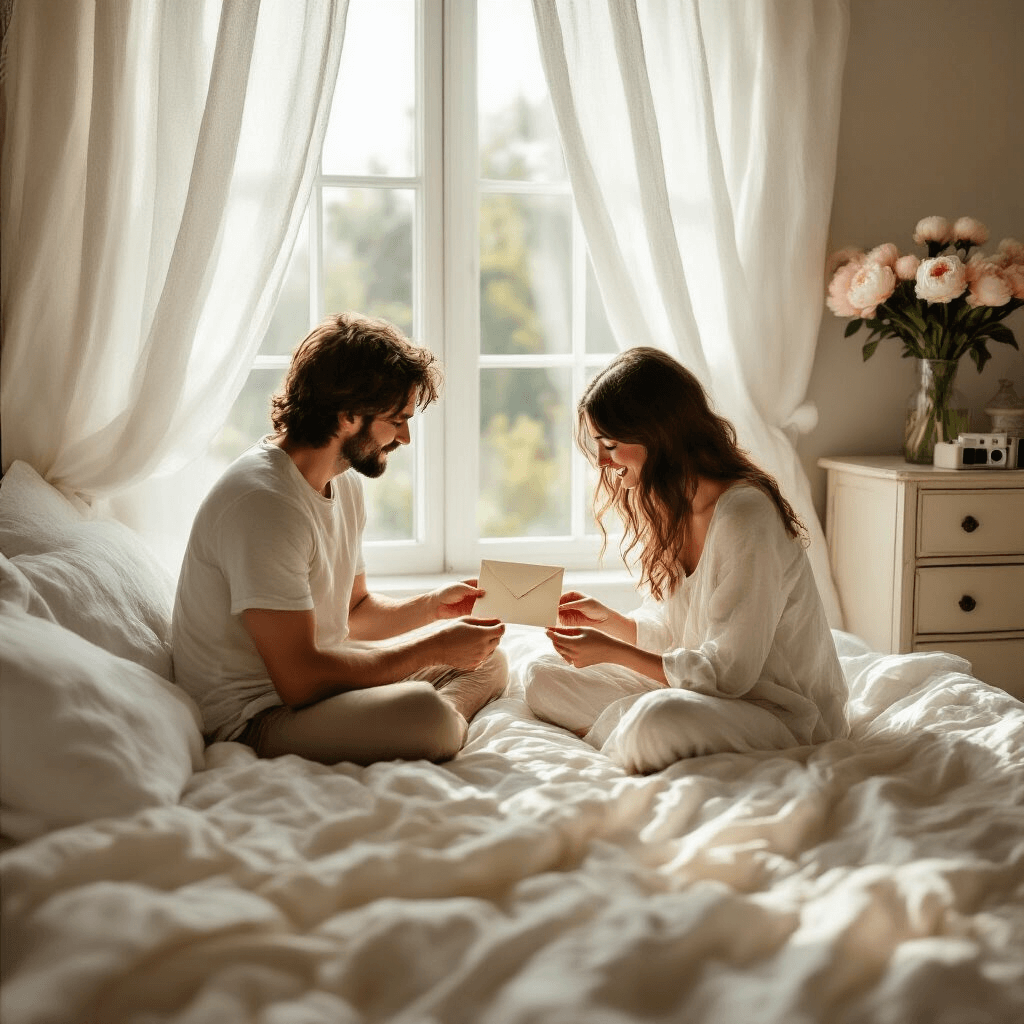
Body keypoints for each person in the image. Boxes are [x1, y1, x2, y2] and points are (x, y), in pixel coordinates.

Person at [172, 312, 507, 766]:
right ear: (348, 414)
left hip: (318, 685)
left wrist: (432, 608)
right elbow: (300, 680)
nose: (405, 437)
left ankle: (432, 727)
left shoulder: (342, 479)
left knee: (489, 660)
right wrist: (431, 648)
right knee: (425, 713)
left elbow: (353, 611)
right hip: (260, 715)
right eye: (396, 420)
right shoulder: (264, 503)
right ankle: (435, 727)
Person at [522, 347, 849, 774]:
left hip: (777, 711)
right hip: (708, 697)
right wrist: (613, 626)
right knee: (540, 676)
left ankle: (632, 729)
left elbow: (731, 673)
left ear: (657, 434)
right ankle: (631, 728)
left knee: (656, 720)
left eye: (611, 444)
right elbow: (680, 632)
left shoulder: (744, 514)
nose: (602, 461)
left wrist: (615, 654)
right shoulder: (672, 505)